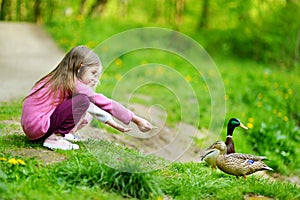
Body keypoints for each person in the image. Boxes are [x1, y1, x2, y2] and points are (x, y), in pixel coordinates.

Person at [21, 45, 153, 150]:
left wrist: (115, 124)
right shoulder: (74, 83)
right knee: (82, 101)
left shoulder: (59, 79)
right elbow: (104, 102)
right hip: (39, 127)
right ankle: (54, 138)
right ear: (79, 69)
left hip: (34, 128)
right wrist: (136, 119)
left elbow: (94, 108)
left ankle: (63, 134)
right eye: (93, 73)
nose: (94, 79)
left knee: (84, 104)